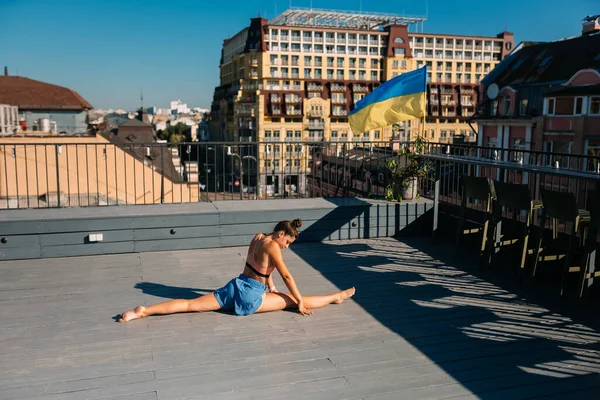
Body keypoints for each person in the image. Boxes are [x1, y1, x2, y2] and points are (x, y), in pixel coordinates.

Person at [119, 218, 355, 322]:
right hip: (251, 295)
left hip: (235, 286)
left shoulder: (259, 237)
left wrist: (270, 286)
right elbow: (287, 275)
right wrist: (299, 301)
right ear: (281, 234)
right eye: (288, 242)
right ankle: (337, 296)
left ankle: (143, 311)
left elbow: (262, 268)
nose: (287, 246)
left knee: (191, 305)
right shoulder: (275, 247)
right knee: (295, 301)